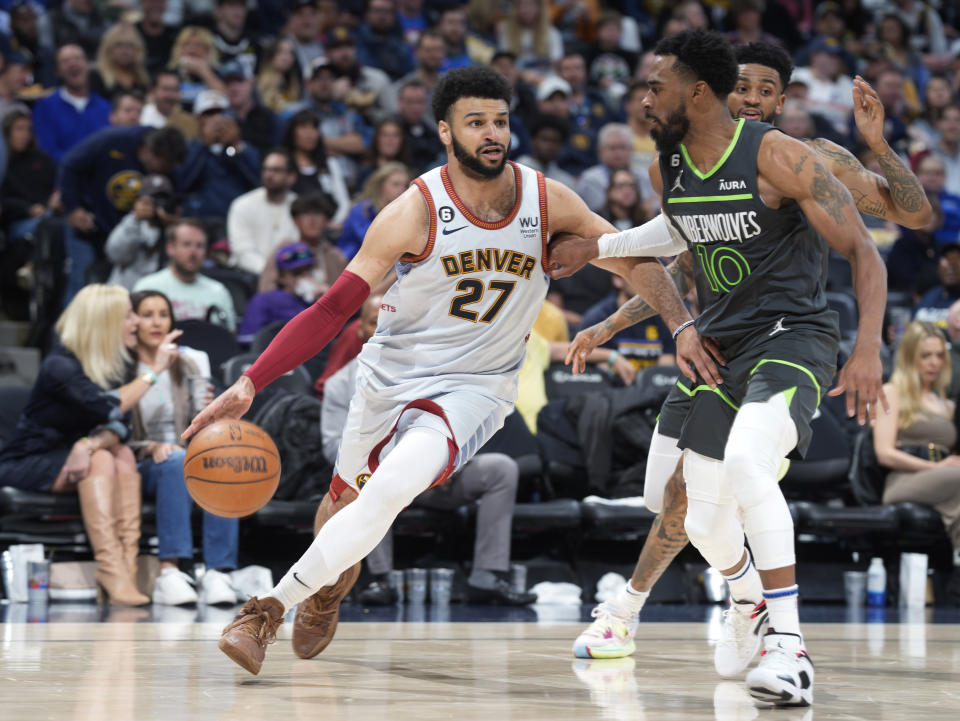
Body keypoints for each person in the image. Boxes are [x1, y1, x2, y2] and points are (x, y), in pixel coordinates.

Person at [184, 64, 713, 676]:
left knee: (390, 488)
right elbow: (332, 308)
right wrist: (252, 379)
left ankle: (266, 610)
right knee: (341, 510)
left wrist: (681, 326)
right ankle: (326, 586)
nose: (493, 133)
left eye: (501, 121)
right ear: (445, 130)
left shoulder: (548, 199)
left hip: (476, 389)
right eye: (476, 122)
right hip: (389, 376)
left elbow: (633, 258)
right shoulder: (415, 209)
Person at [563, 38, 932, 669]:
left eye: (768, 90)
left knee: (731, 473)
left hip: (789, 335)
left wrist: (879, 144)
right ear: (719, 91)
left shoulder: (805, 158)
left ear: (783, 99)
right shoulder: (676, 163)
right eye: (745, 87)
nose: (754, 98)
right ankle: (745, 594)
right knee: (668, 500)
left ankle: (763, 632)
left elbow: (912, 216)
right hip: (719, 343)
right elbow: (685, 249)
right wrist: (612, 323)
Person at [0, 284, 179, 605]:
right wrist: (153, 373)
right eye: (128, 316)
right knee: (104, 459)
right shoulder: (61, 365)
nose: (136, 322)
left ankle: (126, 565)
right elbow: (109, 408)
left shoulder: (114, 365)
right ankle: (110, 568)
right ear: (106, 322)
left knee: (119, 452)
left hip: (80, 455)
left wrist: (88, 443)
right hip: (28, 460)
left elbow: (121, 429)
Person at [322, 358, 537, 606]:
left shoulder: (434, 363)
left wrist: (447, 464)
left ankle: (485, 576)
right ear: (361, 330)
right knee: (365, 482)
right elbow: (332, 448)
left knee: (501, 468)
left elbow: (464, 423)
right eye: (374, 322)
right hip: (381, 475)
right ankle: (380, 580)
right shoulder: (339, 385)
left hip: (439, 474)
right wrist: (400, 463)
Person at [130, 289, 240, 605]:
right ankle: (169, 571)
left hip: (182, 454)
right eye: (147, 314)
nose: (156, 322)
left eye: (163, 314)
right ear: (133, 321)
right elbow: (116, 424)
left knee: (222, 461)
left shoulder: (189, 362)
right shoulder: (125, 366)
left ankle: (219, 572)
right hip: (138, 458)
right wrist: (151, 446)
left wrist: (206, 410)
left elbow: (197, 429)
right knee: (176, 462)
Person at [873, 321, 960, 605]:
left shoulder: (944, 402)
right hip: (904, 481)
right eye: (926, 356)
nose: (934, 363)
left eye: (939, 356)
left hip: (945, 481)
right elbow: (884, 452)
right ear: (911, 357)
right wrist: (935, 468)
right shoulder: (892, 392)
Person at [58, 124, 188, 303]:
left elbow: (178, 197)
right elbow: (70, 164)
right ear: (149, 151)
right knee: (81, 290)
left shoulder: (170, 163)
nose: (168, 170)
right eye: (165, 164)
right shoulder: (112, 140)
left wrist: (173, 216)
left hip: (133, 236)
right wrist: (72, 207)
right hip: (91, 226)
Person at [133, 219, 237, 330]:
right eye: (186, 244)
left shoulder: (218, 291)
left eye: (200, 246)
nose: (193, 252)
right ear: (170, 248)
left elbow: (229, 339)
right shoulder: (147, 287)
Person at [31, 44, 111, 164]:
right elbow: (47, 151)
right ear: (57, 72)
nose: (73, 64)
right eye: (65, 61)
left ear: (88, 65)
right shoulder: (45, 107)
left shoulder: (105, 107)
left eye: (78, 58)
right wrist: (81, 164)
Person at [226, 149, 300, 275]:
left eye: (276, 170)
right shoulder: (242, 205)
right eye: (266, 169)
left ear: (291, 177)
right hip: (249, 275)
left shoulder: (300, 206)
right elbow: (243, 252)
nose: (268, 175)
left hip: (292, 274)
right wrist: (272, 273)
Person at [257, 193, 347, 294]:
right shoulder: (284, 249)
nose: (312, 220)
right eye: (305, 213)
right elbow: (266, 288)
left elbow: (344, 296)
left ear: (327, 221)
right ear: (295, 221)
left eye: (318, 213)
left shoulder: (335, 256)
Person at [105, 174, 181, 291]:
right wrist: (135, 219)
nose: (156, 206)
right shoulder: (131, 224)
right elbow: (116, 255)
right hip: (127, 293)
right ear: (138, 202)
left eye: (162, 200)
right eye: (151, 201)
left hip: (161, 298)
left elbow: (184, 265)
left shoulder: (178, 229)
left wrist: (173, 228)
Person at [238, 242, 320, 345]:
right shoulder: (263, 300)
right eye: (297, 273)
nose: (304, 277)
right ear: (281, 277)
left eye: (309, 271)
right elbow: (247, 341)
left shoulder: (319, 301)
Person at [279, 108, 351, 225]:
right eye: (303, 127)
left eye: (314, 128)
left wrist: (335, 223)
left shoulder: (329, 163)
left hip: (328, 227)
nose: (310, 134)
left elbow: (344, 202)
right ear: (292, 132)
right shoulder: (283, 163)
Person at [337, 162, 410, 260]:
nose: (402, 190)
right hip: (350, 263)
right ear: (381, 185)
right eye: (395, 184)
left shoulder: (403, 213)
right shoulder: (362, 210)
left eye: (405, 186)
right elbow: (373, 243)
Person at [89, 22, 151, 100]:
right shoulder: (97, 76)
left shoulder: (143, 79)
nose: (125, 51)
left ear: (137, 50)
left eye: (130, 45)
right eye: (119, 45)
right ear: (109, 49)